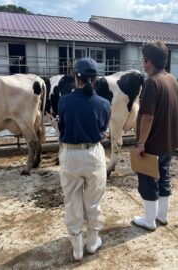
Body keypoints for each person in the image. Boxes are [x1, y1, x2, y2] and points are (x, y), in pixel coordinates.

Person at [58, 57, 111, 260]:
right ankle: (92, 242)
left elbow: (62, 128)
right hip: (93, 153)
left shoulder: (64, 101)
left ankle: (77, 248)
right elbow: (102, 130)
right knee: (93, 200)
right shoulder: (104, 104)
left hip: (70, 154)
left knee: (72, 200)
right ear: (95, 80)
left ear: (75, 77)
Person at [133, 41, 178, 231]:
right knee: (164, 176)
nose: (143, 64)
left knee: (148, 179)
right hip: (168, 140)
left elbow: (147, 117)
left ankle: (149, 220)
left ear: (149, 61)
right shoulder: (172, 79)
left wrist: (141, 143)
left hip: (152, 143)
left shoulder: (152, 83)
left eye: (144, 60)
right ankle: (162, 216)